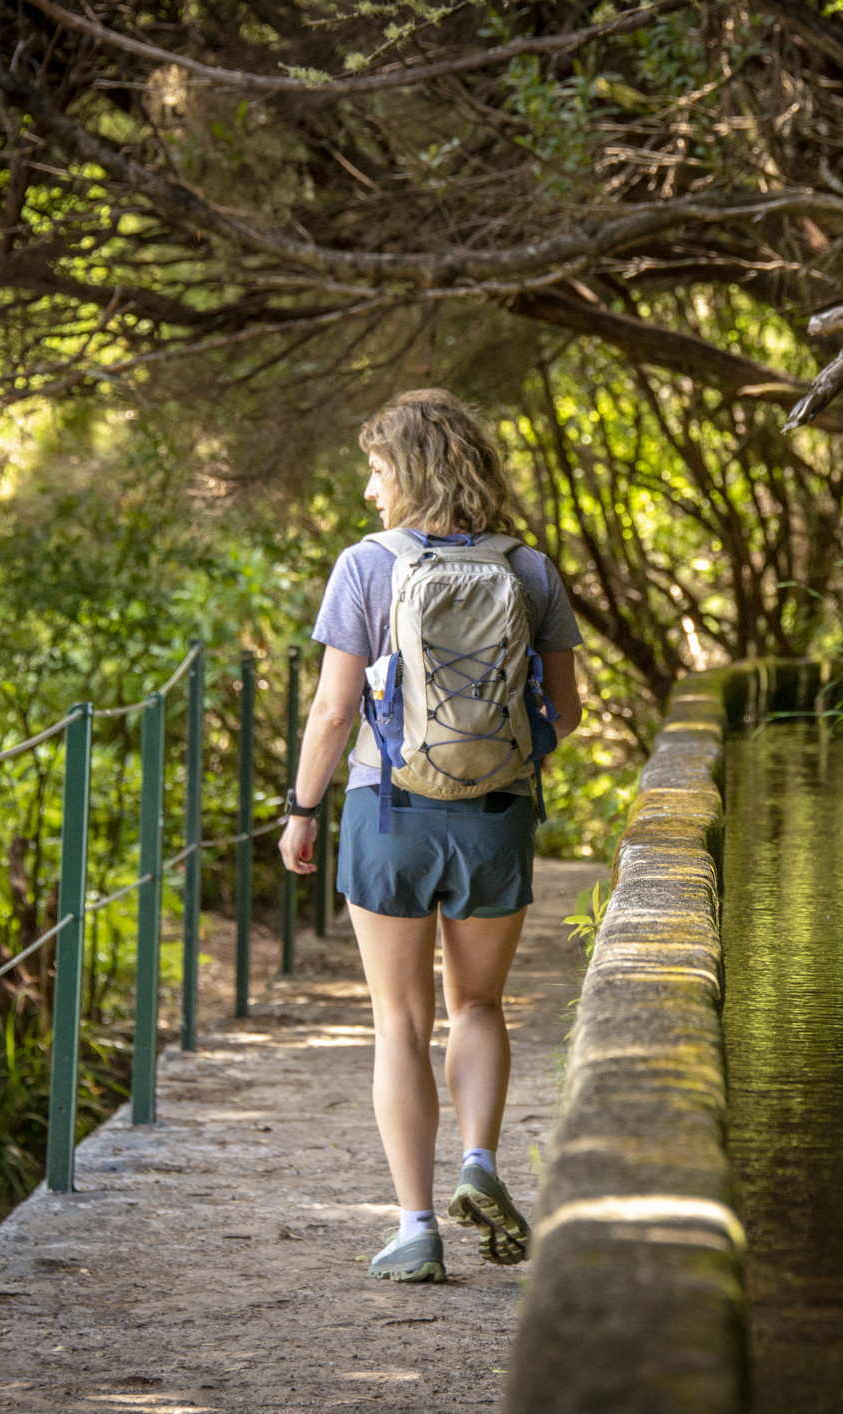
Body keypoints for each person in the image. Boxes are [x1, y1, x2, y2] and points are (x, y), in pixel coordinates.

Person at [279, 388, 583, 1283]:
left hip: (388, 816)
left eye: (376, 471)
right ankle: (480, 1164)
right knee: (479, 1007)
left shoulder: (366, 565)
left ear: (408, 472)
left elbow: (336, 711)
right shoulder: (529, 569)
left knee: (400, 1023)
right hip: (494, 817)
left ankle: (416, 1229)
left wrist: (302, 810)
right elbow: (565, 711)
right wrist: (497, 772)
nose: (370, 492)